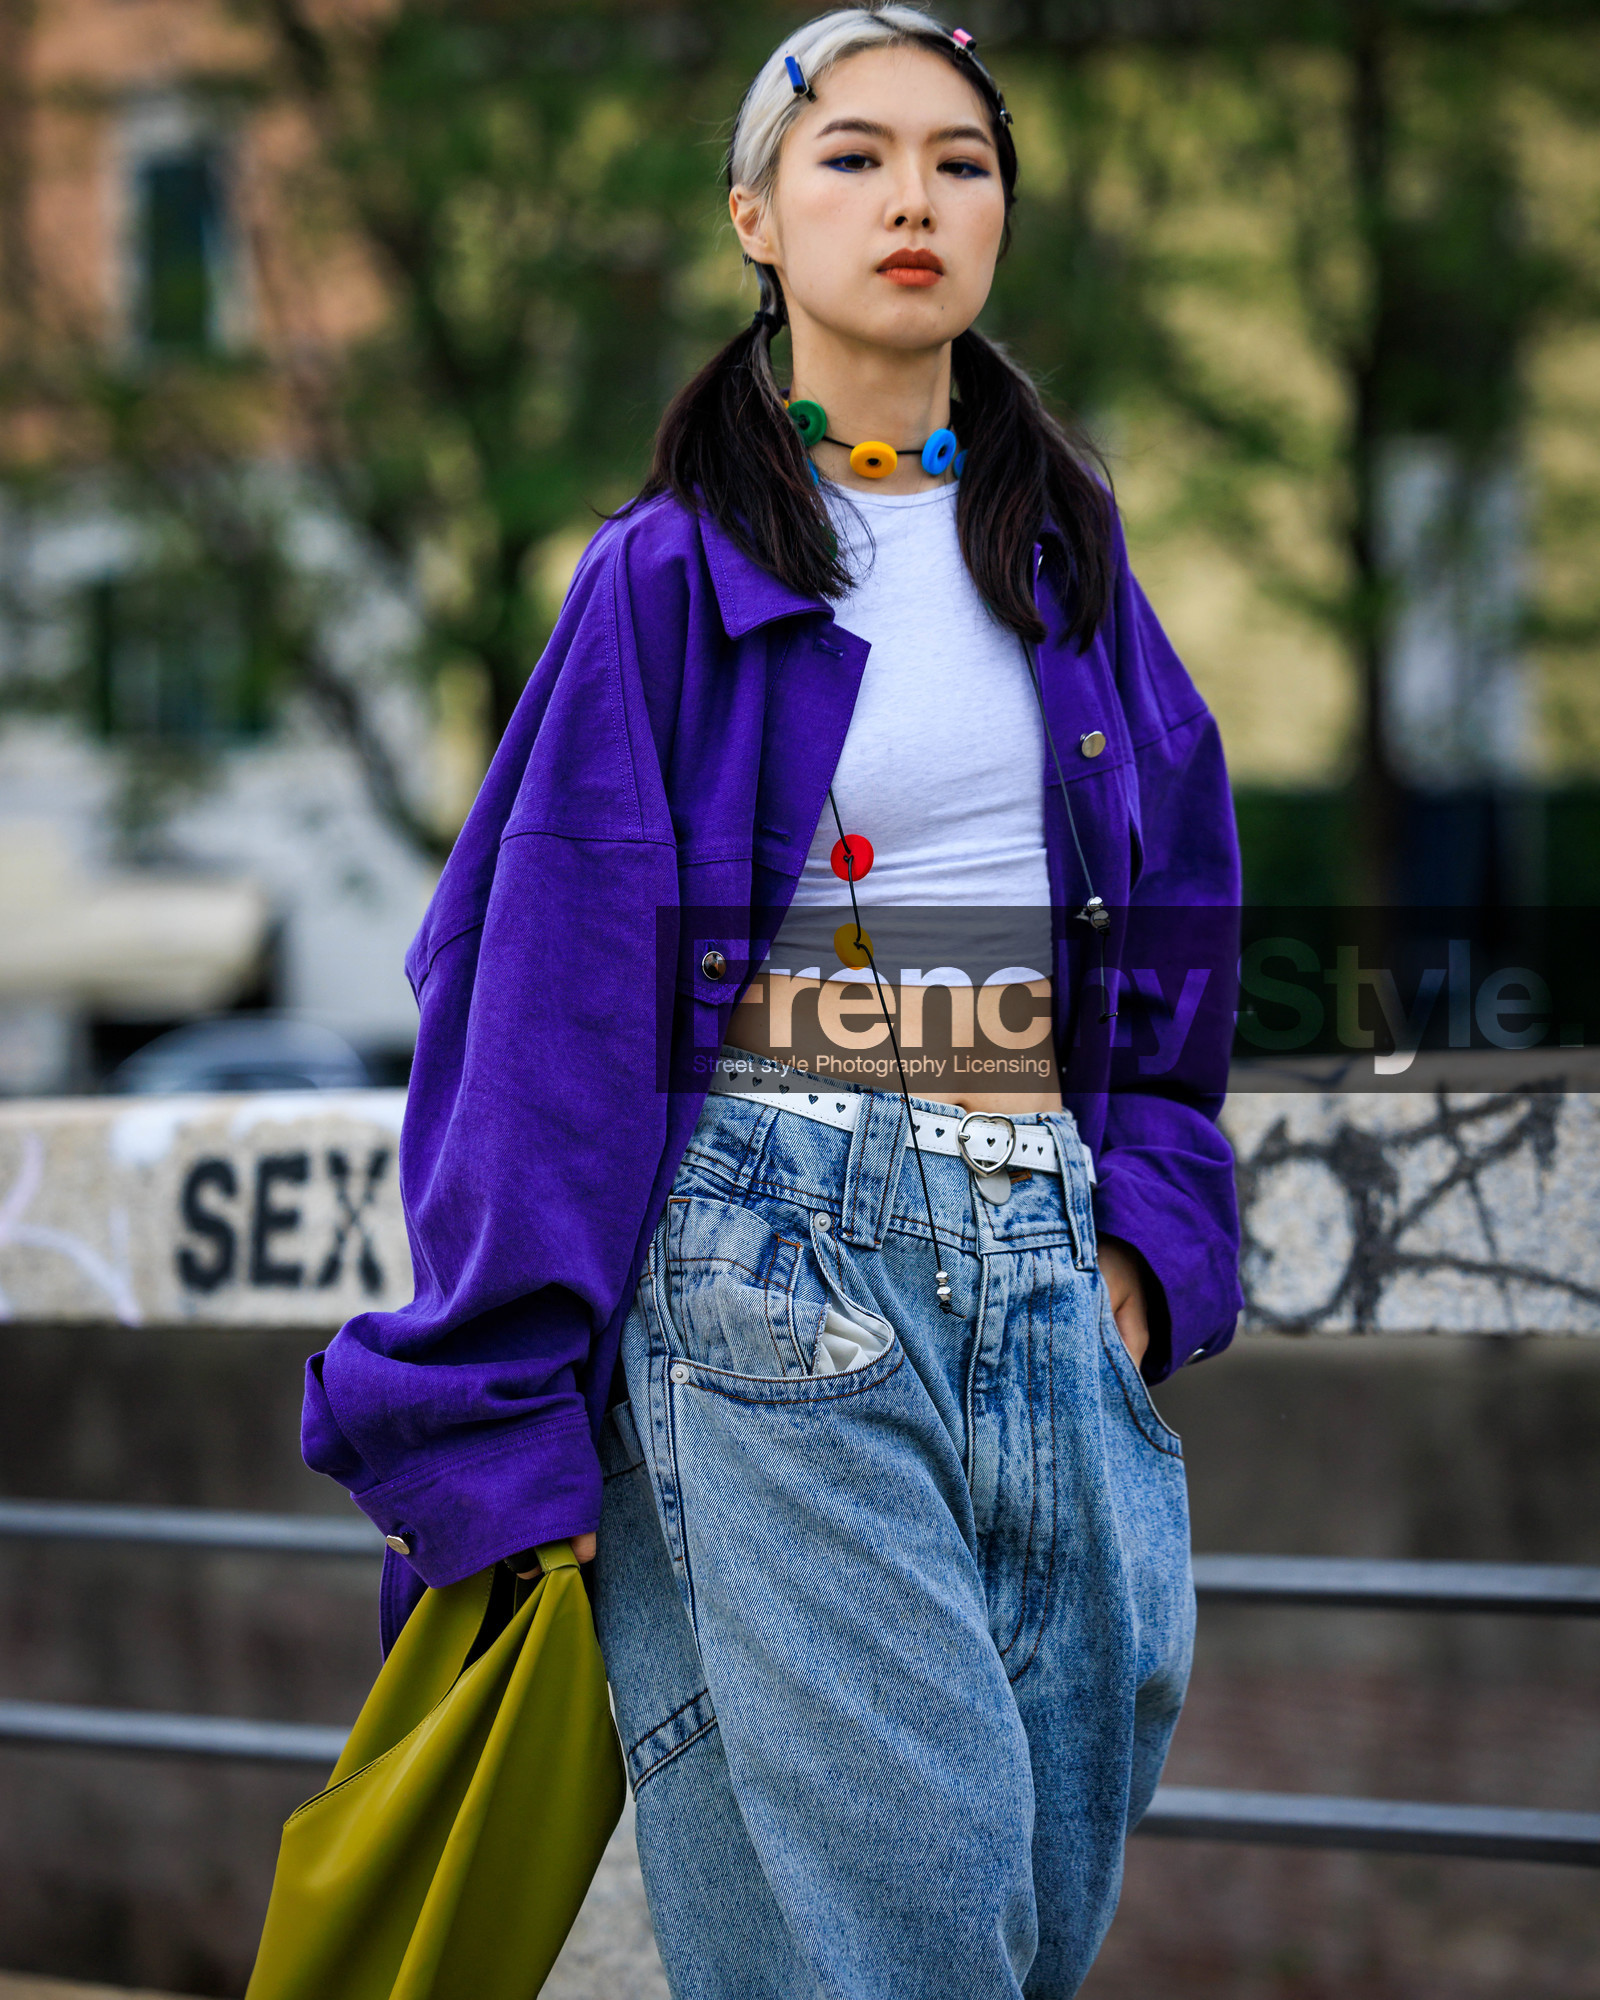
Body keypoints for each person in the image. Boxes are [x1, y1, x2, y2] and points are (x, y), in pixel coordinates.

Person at [302, 7, 1243, 1994]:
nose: (912, 194)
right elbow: (533, 1006)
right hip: (769, 1261)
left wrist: (1144, 1243)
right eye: (851, 155)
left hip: (1046, 1270)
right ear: (752, 215)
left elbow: (1174, 942)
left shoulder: (1069, 569)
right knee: (919, 1913)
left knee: (1028, 1885)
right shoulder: (666, 580)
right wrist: (491, 1409)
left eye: (959, 159)